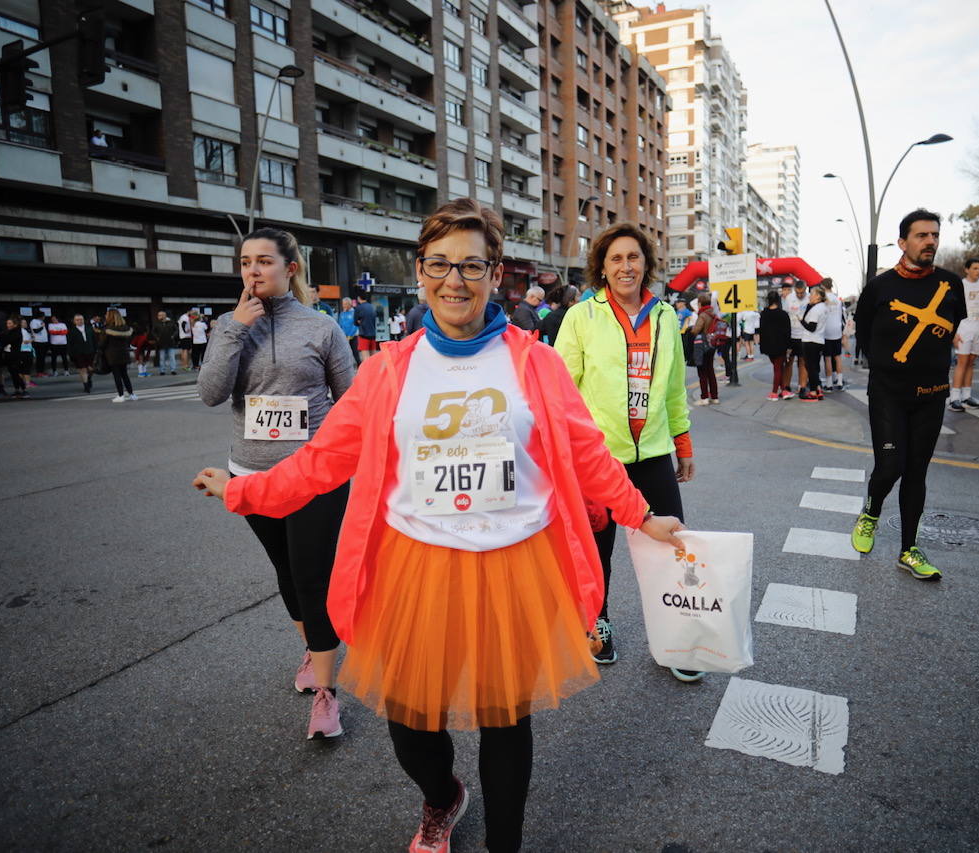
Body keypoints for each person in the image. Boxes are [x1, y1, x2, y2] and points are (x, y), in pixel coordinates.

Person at [192, 199, 684, 853]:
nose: (456, 279)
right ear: (421, 272)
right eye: (441, 264)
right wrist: (247, 490)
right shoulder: (390, 370)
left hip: (513, 562)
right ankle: (442, 794)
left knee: (506, 721)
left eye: (472, 264)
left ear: (495, 272)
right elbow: (321, 460)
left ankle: (503, 843)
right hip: (415, 563)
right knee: (411, 727)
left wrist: (641, 514)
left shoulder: (535, 363)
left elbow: (588, 452)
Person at [197, 226, 356, 738]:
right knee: (286, 572)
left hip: (313, 478)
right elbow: (210, 393)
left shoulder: (320, 327)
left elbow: (351, 400)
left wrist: (324, 449)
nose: (253, 271)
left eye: (264, 261)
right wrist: (233, 330)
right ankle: (313, 654)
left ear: (291, 269)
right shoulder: (230, 325)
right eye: (245, 263)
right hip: (250, 477)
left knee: (314, 579)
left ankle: (328, 695)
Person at [554, 221, 699, 682]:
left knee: (672, 544)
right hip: (598, 460)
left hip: (653, 454)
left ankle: (677, 637)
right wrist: (567, 454)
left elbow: (675, 389)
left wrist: (683, 443)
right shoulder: (582, 317)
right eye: (615, 258)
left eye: (633, 257)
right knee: (598, 552)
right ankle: (598, 622)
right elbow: (560, 392)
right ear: (602, 267)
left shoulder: (665, 318)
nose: (625, 266)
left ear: (646, 264)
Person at [850, 209, 966, 582]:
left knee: (917, 472)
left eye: (934, 235)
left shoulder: (951, 284)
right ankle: (870, 512)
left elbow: (948, 331)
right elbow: (864, 336)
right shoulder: (880, 288)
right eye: (921, 235)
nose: (930, 241)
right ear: (903, 242)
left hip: (931, 394)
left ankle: (909, 550)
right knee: (890, 467)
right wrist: (887, 367)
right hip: (888, 393)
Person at [948, 258, 979, 411]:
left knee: (971, 363)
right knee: (962, 362)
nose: (978, 271)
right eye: (974, 268)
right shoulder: (960, 285)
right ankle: (954, 398)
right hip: (963, 329)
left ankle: (966, 396)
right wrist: (954, 333)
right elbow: (952, 310)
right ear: (967, 269)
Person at [759, 291, 792, 400]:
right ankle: (774, 393)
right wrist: (789, 347)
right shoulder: (783, 314)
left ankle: (784, 391)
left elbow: (761, 331)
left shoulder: (764, 314)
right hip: (781, 345)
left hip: (768, 346)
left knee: (778, 368)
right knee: (778, 369)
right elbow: (788, 332)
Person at [100, 309, 137, 402]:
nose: (105, 315)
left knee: (117, 375)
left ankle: (121, 395)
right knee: (125, 375)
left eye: (107, 314)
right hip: (124, 353)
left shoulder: (107, 329)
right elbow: (129, 341)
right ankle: (132, 394)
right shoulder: (126, 328)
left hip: (112, 354)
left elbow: (102, 344)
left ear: (110, 316)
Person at [799, 286, 827, 400]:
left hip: (811, 340)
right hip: (819, 340)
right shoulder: (823, 307)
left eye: (811, 294)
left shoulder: (816, 309)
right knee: (814, 366)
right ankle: (818, 389)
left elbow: (811, 327)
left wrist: (801, 321)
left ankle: (813, 391)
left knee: (810, 367)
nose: (809, 296)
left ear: (818, 296)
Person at [784, 279, 809, 394]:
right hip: (791, 335)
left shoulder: (809, 298)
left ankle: (802, 386)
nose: (800, 295)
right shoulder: (789, 298)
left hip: (804, 335)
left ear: (806, 289)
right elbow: (785, 315)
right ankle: (786, 386)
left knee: (803, 362)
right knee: (789, 361)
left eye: (802, 293)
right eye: (797, 293)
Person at [820, 279, 845, 391]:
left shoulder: (823, 299)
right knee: (838, 357)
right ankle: (839, 382)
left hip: (826, 331)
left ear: (823, 287)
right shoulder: (838, 299)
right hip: (837, 330)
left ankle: (829, 384)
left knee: (828, 358)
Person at [0, 316, 32, 398]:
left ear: (15, 324)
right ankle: (16, 389)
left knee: (17, 373)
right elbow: (3, 342)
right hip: (8, 355)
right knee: (12, 373)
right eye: (7, 323)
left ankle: (24, 389)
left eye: (10, 323)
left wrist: (4, 339)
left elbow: (9, 340)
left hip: (15, 355)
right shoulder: (7, 332)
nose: (8, 325)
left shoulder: (17, 332)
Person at [69, 313, 97, 393]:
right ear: (74, 321)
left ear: (83, 320)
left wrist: (96, 350)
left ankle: (89, 379)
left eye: (81, 319)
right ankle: (86, 385)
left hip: (90, 352)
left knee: (91, 369)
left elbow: (94, 340)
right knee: (82, 369)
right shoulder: (72, 331)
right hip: (79, 353)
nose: (79, 321)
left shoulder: (89, 328)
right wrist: (71, 354)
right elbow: (70, 344)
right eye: (77, 320)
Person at [353, 292, 377, 361]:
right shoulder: (372, 307)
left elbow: (355, 322)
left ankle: (368, 371)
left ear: (359, 298)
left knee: (365, 357)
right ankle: (375, 370)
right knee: (374, 355)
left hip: (364, 334)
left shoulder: (359, 308)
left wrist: (359, 322)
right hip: (373, 334)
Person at [153, 310, 177, 375]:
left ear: (164, 316)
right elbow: (153, 332)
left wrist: (173, 336)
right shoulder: (157, 323)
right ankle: (162, 370)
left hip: (170, 342)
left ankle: (173, 370)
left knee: (172, 357)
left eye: (160, 315)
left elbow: (176, 330)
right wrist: (157, 337)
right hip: (161, 343)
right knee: (162, 358)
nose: (158, 316)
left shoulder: (171, 322)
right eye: (158, 315)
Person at [337, 297, 358, 363]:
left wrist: (349, 336)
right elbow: (340, 325)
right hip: (344, 337)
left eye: (346, 304)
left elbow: (355, 325)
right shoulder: (342, 313)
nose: (344, 306)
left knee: (355, 353)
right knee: (345, 353)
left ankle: (359, 365)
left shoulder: (354, 312)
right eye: (343, 304)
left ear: (350, 304)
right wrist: (342, 335)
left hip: (353, 336)